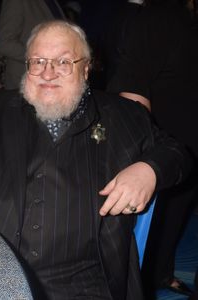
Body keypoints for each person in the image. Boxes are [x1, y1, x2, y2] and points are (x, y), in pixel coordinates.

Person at [0, 20, 192, 299]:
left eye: (63, 62)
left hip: (82, 282)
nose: (47, 72)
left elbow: (178, 154)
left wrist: (148, 170)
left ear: (86, 67)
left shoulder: (122, 115)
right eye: (38, 61)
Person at [107, 0, 198, 297]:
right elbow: (133, 92)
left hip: (185, 149)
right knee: (154, 225)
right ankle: (147, 281)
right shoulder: (159, 14)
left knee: (175, 219)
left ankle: (162, 274)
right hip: (166, 149)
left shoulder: (184, 16)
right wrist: (144, 158)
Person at [0, 0, 65, 90]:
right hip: (26, 81)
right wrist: (42, 58)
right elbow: (5, 44)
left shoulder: (53, 3)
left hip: (51, 79)